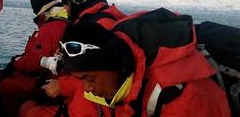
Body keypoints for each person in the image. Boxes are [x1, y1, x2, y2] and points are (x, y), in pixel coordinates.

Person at [55, 20, 231, 117]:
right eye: (81, 79)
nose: (87, 88)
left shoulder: (180, 95)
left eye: (89, 78)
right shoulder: (102, 88)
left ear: (113, 64)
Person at [20, 0, 126, 117]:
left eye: (65, 2)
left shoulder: (99, 26)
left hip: (94, 108)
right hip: (85, 101)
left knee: (30, 111)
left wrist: (61, 86)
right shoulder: (95, 20)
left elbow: (100, 79)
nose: (64, 8)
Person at [0, 0, 69, 117]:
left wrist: (16, 62)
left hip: (49, 82)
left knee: (5, 86)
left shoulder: (51, 27)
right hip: (59, 79)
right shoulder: (64, 19)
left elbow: (36, 61)